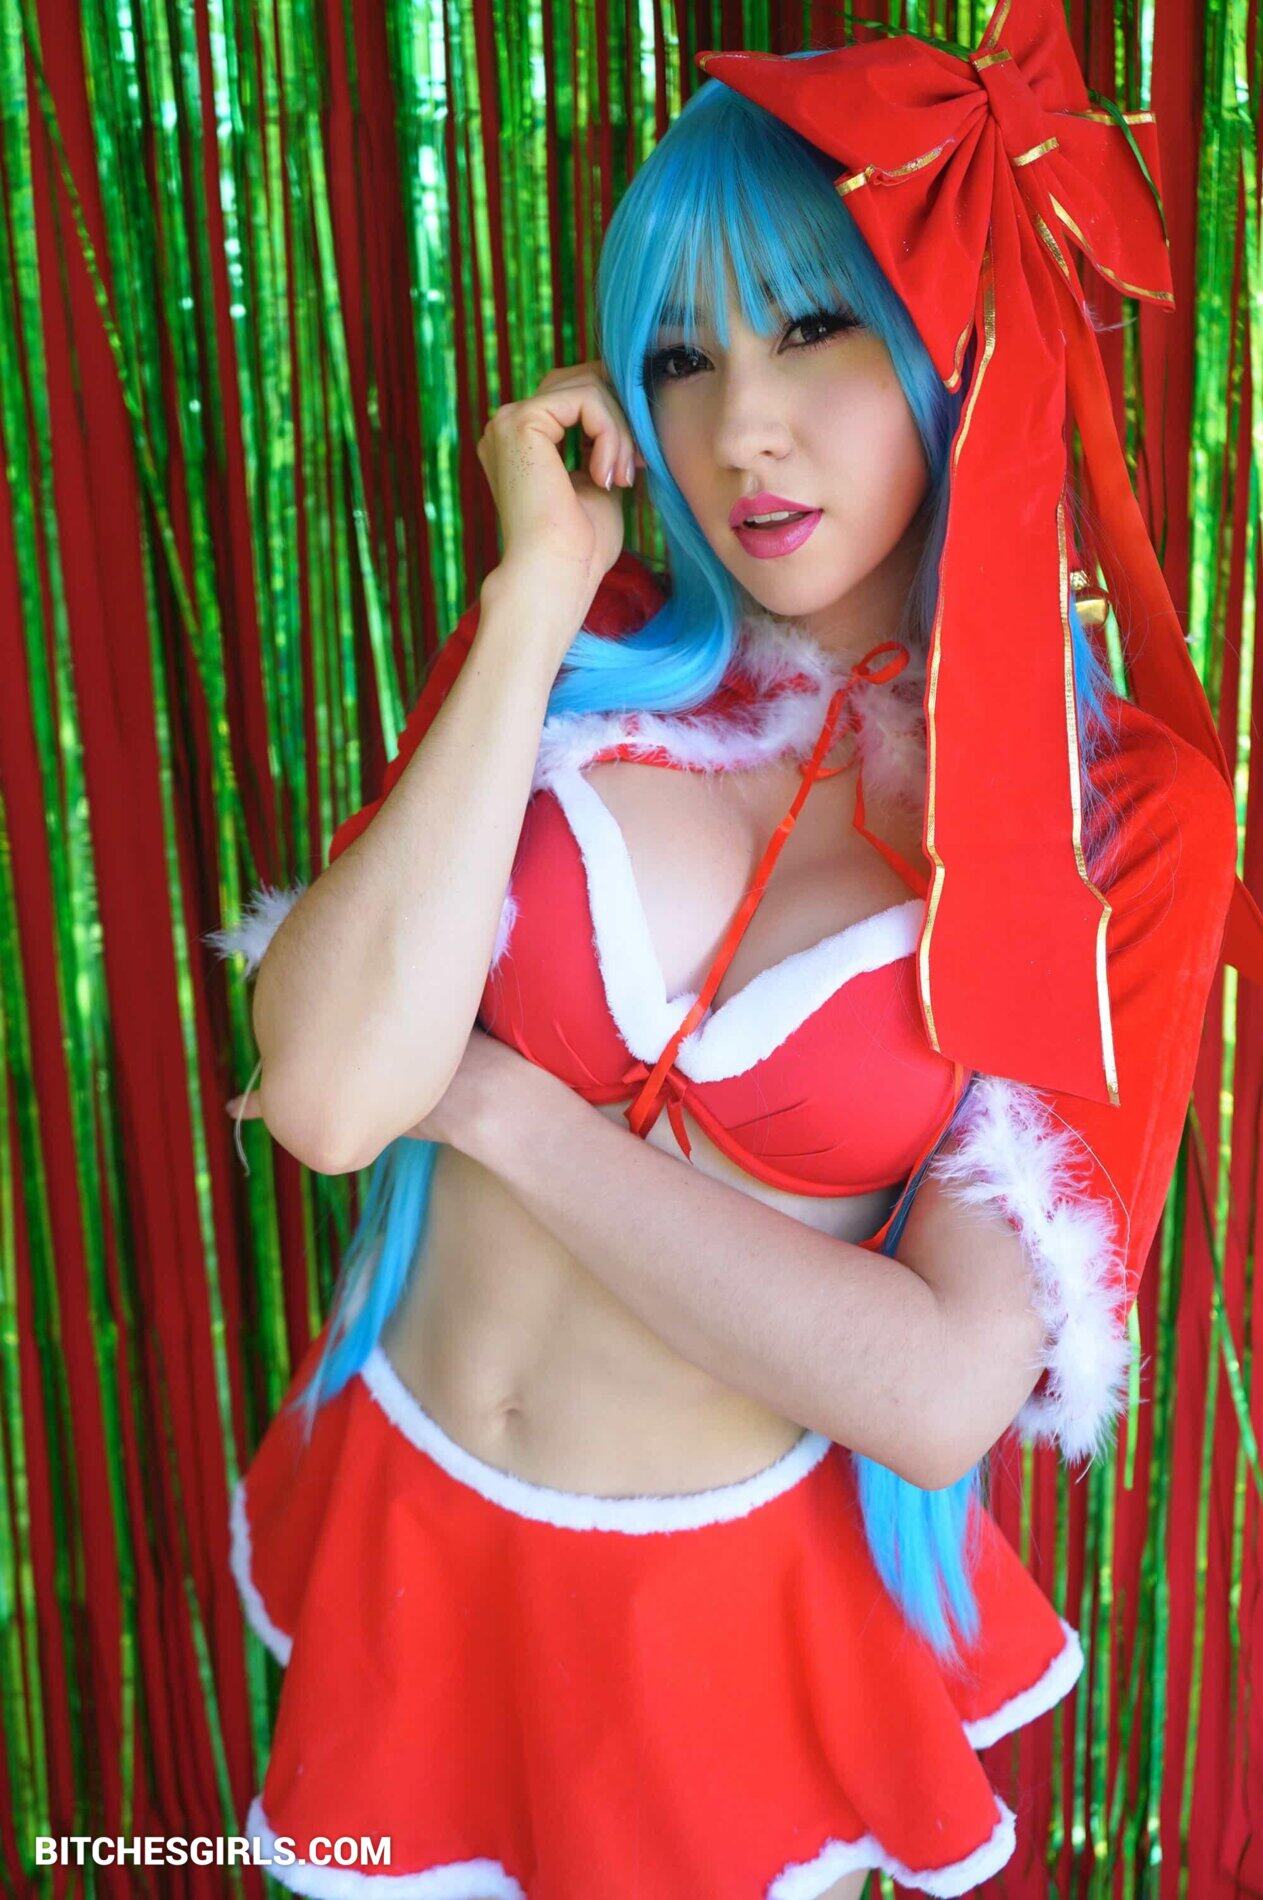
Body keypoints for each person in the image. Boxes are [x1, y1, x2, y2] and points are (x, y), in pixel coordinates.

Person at [207, 8, 1256, 1894]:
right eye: (680, 355)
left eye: (814, 327)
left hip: (716, 1638)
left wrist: (506, 1115)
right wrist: (533, 590)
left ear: (961, 342)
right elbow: (336, 1100)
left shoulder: (1117, 814)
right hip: (407, 1520)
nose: (736, 428)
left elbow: (938, 1393)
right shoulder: (584, 641)